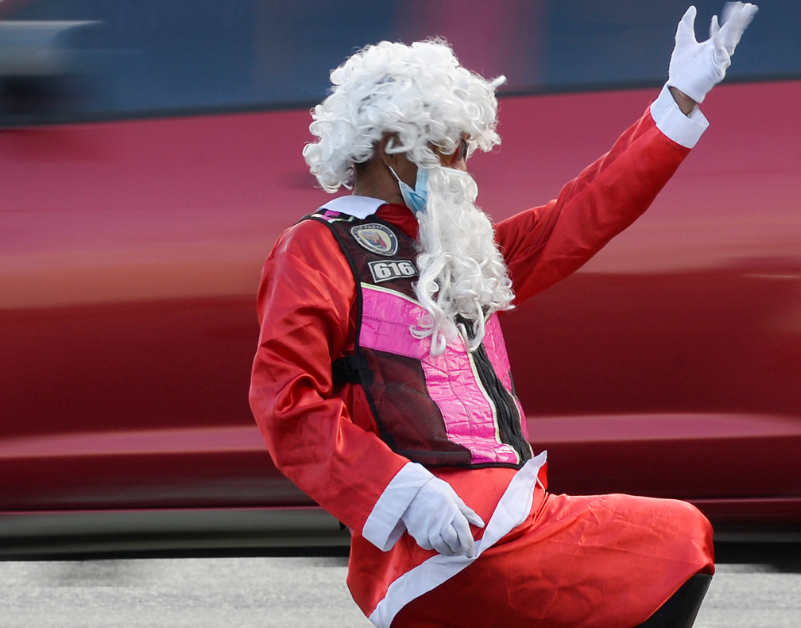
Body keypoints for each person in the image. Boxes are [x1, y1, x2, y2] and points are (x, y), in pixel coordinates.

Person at [249, 4, 757, 627]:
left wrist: (678, 98)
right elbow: (288, 406)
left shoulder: (460, 246)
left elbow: (584, 212)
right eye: (448, 151)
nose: (463, 171)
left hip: (516, 513)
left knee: (676, 536)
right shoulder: (317, 246)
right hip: (433, 543)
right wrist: (403, 495)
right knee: (672, 544)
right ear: (387, 144)